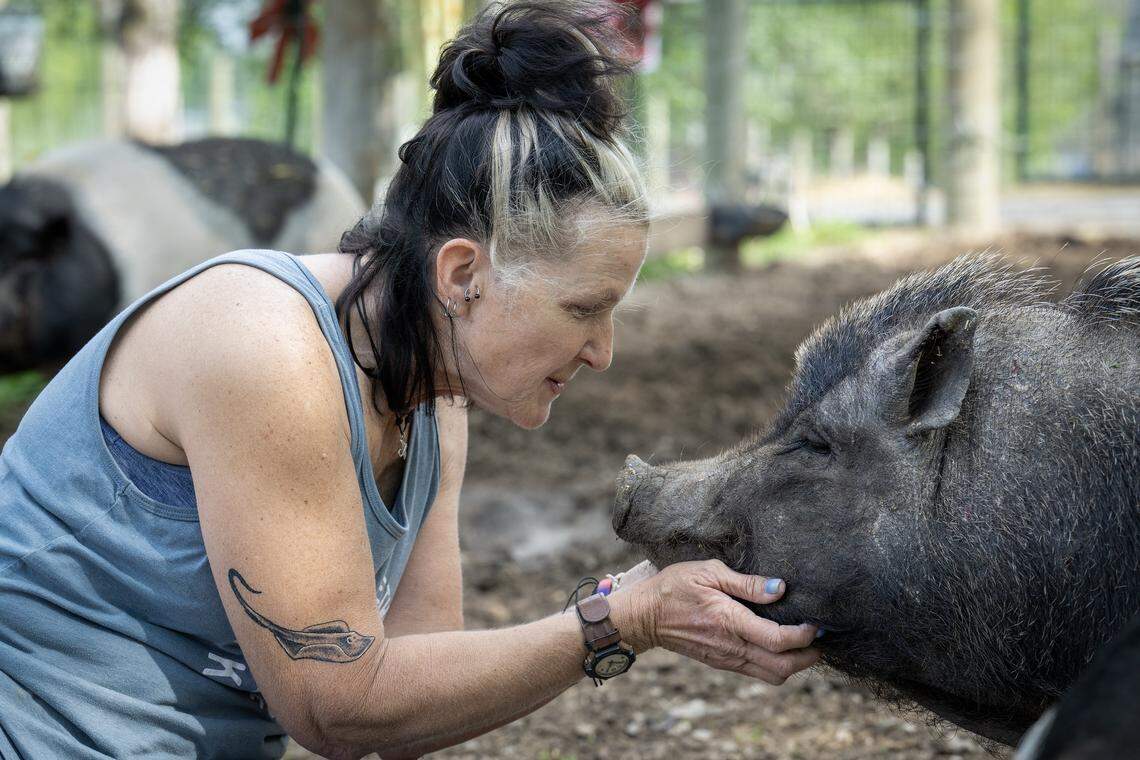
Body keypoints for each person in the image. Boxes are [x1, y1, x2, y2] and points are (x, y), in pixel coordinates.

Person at [0, 2, 819, 757]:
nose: (602, 350)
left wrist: (623, 604)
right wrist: (623, 620)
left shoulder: (434, 397)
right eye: (582, 309)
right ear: (462, 274)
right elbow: (339, 705)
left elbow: (410, 701)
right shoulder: (264, 346)